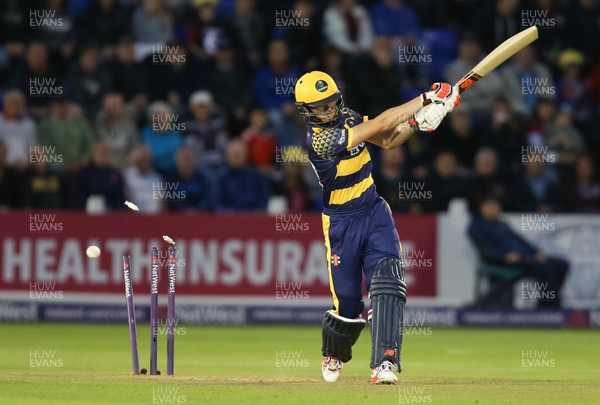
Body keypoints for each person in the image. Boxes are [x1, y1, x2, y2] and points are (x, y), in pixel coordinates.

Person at [294, 71, 459, 384]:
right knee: (348, 307)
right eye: (319, 106)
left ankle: (384, 363)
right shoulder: (320, 139)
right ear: (306, 110)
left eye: (330, 101)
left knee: (387, 286)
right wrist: (425, 99)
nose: (327, 109)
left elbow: (388, 139)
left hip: (373, 211)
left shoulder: (350, 117)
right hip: (341, 223)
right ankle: (333, 351)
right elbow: (382, 123)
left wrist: (419, 122)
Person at [468, 194, 569, 308]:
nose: (494, 209)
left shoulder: (502, 225)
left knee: (561, 264)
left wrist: (536, 252)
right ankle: (547, 305)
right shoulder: (477, 226)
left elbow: (521, 241)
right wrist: (503, 256)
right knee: (545, 268)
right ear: (482, 208)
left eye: (496, 207)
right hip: (504, 263)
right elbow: (484, 249)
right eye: (490, 206)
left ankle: (551, 299)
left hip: (524, 258)